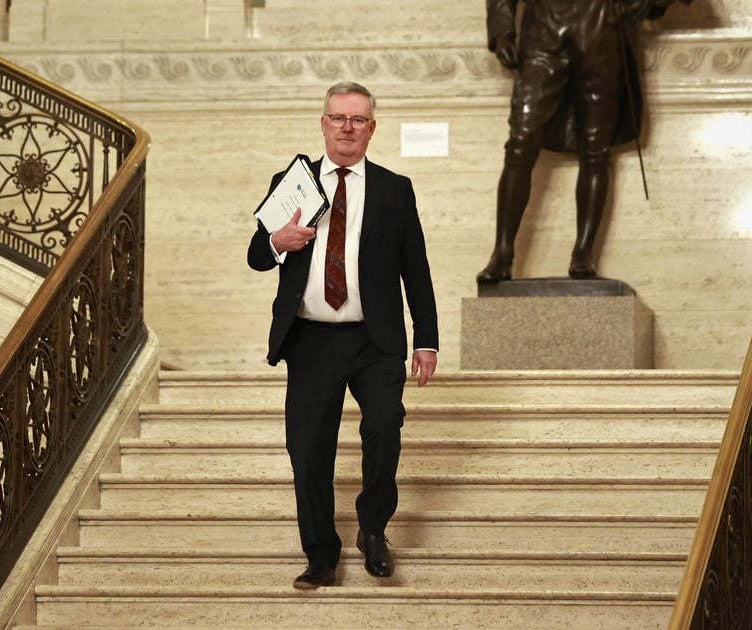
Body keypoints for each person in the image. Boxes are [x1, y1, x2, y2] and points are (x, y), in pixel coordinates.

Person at [247, 82, 439, 589]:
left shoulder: (395, 188)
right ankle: (320, 554)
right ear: (323, 124)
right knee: (309, 449)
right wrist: (277, 241)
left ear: (372, 128)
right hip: (310, 340)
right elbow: (255, 255)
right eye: (338, 118)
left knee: (383, 429)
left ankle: (373, 530)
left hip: (374, 340)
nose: (347, 127)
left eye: (358, 119)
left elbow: (415, 269)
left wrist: (427, 339)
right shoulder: (293, 181)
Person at [477, 0, 689, 283]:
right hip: (542, 27)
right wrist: (502, 30)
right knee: (521, 140)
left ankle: (583, 251)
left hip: (601, 26)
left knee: (595, 147)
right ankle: (502, 252)